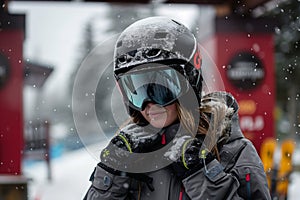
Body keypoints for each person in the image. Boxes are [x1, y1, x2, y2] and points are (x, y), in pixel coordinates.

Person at [84, 16, 271, 200]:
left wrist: (202, 175)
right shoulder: (132, 155)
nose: (150, 105)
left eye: (162, 89)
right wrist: (108, 180)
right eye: (137, 91)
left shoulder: (232, 151)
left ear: (189, 83)